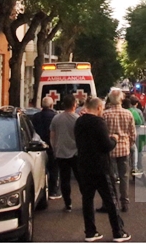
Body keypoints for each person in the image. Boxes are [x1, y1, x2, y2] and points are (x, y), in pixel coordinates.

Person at [74, 97, 130, 242]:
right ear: (99, 107)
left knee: (87, 200)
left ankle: (90, 232)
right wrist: (114, 139)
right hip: (100, 167)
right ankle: (118, 232)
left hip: (84, 165)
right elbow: (106, 146)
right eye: (103, 108)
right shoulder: (99, 123)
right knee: (110, 199)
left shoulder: (79, 122)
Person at [102, 89, 136, 213]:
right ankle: (125, 202)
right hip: (124, 149)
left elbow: (102, 133)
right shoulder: (128, 114)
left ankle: (111, 202)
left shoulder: (105, 114)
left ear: (110, 99)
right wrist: (128, 144)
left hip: (109, 149)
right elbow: (133, 134)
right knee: (124, 177)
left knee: (110, 177)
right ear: (121, 99)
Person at [50, 94, 81, 212]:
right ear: (74, 105)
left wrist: (54, 148)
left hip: (61, 153)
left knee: (64, 179)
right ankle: (85, 201)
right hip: (75, 153)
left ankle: (68, 203)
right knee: (80, 179)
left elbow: (52, 136)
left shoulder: (56, 118)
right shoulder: (77, 119)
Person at [32, 96, 61, 199]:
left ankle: (42, 189)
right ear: (51, 105)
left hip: (38, 146)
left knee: (41, 168)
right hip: (52, 145)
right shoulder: (55, 116)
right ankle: (53, 191)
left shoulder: (35, 117)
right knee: (54, 168)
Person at [127, 96, 144, 175]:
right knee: (138, 150)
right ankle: (137, 166)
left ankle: (129, 166)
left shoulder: (127, 111)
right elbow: (142, 122)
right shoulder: (138, 111)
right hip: (138, 132)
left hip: (128, 134)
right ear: (137, 103)